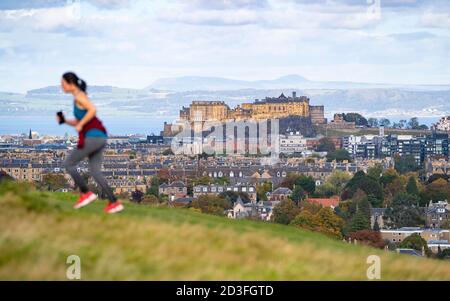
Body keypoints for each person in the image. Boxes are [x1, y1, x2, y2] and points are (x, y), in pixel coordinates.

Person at [58, 72, 124, 213]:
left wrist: (81, 125)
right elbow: (80, 120)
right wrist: (65, 121)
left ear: (70, 83)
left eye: (62, 83)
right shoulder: (79, 97)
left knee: (69, 163)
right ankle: (114, 202)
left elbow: (93, 110)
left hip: (93, 137)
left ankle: (85, 193)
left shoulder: (79, 96)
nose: (61, 86)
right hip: (100, 137)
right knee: (95, 172)